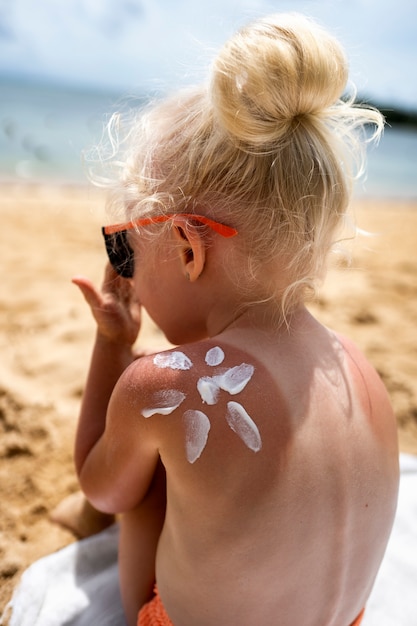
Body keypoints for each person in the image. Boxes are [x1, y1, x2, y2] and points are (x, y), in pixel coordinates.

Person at [67, 13, 399, 626]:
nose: (124, 270)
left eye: (125, 249)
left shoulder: (167, 387)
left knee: (146, 480)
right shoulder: (360, 367)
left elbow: (102, 487)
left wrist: (114, 345)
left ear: (189, 250)